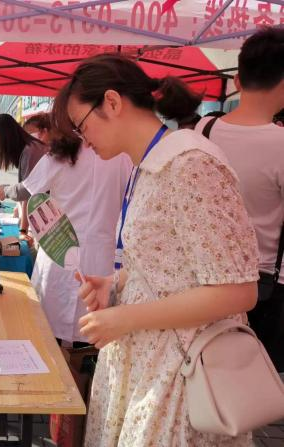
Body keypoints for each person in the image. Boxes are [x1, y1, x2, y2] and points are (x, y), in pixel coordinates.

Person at [51, 53, 259, 446]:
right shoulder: (149, 165)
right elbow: (169, 262)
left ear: (112, 102)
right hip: (149, 367)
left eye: (82, 125)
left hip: (182, 375)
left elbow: (238, 290)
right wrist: (115, 283)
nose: (83, 139)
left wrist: (125, 317)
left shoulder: (191, 164)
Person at [195, 27, 284, 371]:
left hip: (203, 278)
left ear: (237, 80)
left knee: (208, 376)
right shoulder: (280, 145)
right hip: (263, 284)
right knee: (256, 380)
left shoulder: (203, 130)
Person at [18, 135, 132, 346]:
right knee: (91, 337)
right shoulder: (123, 155)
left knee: (50, 338)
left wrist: (1, 191)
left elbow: (28, 190)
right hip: (101, 259)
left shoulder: (62, 151)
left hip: (59, 249)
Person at [0, 114, 48, 235]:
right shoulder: (29, 149)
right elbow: (27, 188)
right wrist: (23, 228)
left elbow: (28, 190)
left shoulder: (31, 150)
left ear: (6, 138)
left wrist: (23, 231)